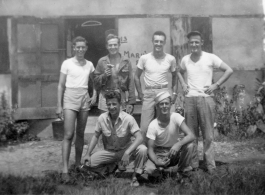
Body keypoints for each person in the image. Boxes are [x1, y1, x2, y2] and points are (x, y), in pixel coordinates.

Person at [178, 31, 233, 173]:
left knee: (208, 135)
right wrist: (183, 85)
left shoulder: (210, 57)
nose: (194, 44)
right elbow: (178, 71)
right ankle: (194, 164)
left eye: (197, 42)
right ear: (188, 44)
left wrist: (216, 85)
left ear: (201, 42)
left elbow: (229, 70)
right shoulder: (185, 59)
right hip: (190, 99)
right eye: (191, 42)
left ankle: (210, 165)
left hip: (206, 99)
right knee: (192, 135)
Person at [83, 91, 147, 187]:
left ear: (120, 104)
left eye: (114, 104)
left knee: (142, 149)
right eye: (109, 104)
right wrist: (87, 154)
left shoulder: (128, 119)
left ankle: (135, 177)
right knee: (87, 164)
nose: (111, 107)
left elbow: (139, 138)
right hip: (110, 152)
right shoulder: (102, 118)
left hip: (125, 150)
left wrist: (127, 153)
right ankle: (108, 170)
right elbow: (95, 136)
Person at [56, 36, 97, 181]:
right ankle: (65, 170)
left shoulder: (90, 64)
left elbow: (95, 81)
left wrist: (95, 95)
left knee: (80, 133)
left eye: (83, 47)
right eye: (77, 47)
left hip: (84, 97)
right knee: (68, 134)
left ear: (86, 48)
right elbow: (61, 85)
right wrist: (59, 105)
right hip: (70, 97)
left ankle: (78, 165)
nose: (80, 49)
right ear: (73, 48)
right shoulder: (67, 63)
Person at [134, 31, 178, 142]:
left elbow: (175, 76)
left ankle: (163, 152)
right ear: (152, 41)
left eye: (161, 41)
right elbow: (136, 76)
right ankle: (144, 153)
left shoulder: (170, 59)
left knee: (165, 124)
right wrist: (140, 93)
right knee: (144, 127)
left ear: (164, 43)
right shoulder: (144, 58)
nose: (158, 44)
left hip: (163, 92)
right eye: (156, 41)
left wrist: (174, 93)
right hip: (148, 94)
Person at [144, 91, 195, 178]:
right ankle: (161, 170)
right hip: (159, 153)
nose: (164, 106)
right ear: (157, 107)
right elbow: (150, 149)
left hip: (174, 151)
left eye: (166, 103)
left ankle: (183, 172)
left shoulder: (176, 117)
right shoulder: (153, 125)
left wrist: (178, 144)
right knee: (149, 171)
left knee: (190, 145)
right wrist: (156, 161)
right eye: (161, 104)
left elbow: (191, 135)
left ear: (170, 105)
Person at [94, 34, 136, 114]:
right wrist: (104, 76)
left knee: (121, 124)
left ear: (119, 45)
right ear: (106, 46)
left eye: (115, 45)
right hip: (105, 97)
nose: (113, 47)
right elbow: (95, 82)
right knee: (105, 123)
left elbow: (131, 82)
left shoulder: (126, 61)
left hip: (121, 97)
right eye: (110, 45)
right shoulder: (102, 61)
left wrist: (131, 102)